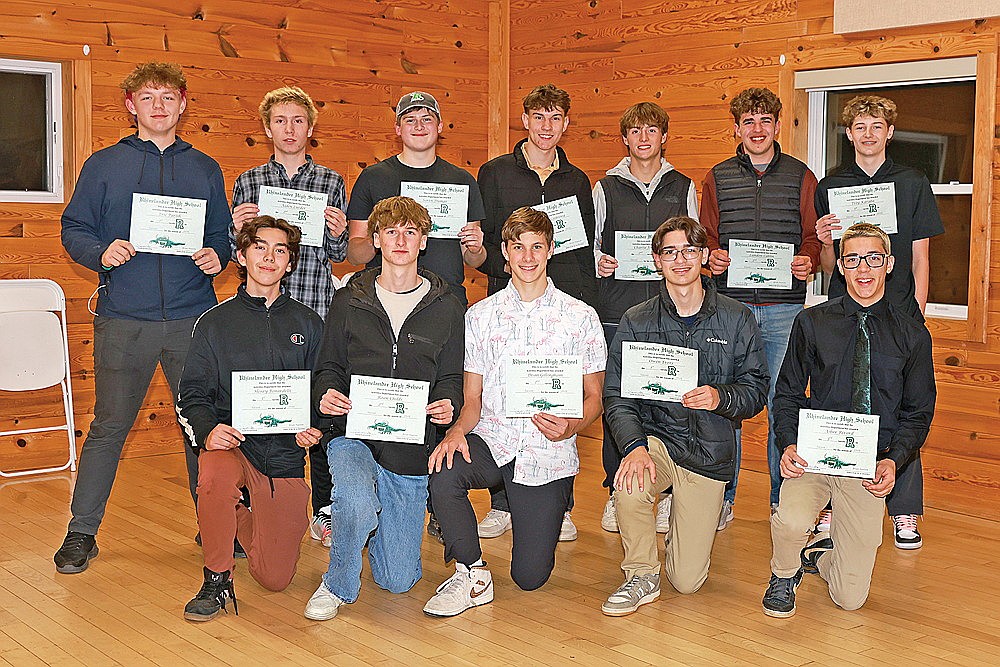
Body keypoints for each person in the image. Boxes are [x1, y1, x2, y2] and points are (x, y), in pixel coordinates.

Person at [56, 62, 230, 573]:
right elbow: (74, 227)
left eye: (169, 96)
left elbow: (221, 233)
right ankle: (81, 532)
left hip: (192, 318)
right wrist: (99, 251)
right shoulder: (104, 164)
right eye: (148, 96)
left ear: (182, 105)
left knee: (201, 428)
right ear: (131, 105)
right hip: (124, 317)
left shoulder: (204, 168)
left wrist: (218, 255)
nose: (159, 105)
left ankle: (216, 526)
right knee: (109, 426)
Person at [422, 207, 606, 617]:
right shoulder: (480, 315)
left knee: (529, 578)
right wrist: (454, 433)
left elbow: (594, 396)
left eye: (537, 246)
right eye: (518, 247)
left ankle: (535, 508)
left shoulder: (580, 317)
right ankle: (473, 571)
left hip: (546, 453)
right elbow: (473, 399)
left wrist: (573, 424)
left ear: (551, 250)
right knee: (444, 467)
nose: (527, 257)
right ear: (504, 252)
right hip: (494, 439)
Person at [303, 196, 465, 622]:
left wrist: (450, 403)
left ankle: (371, 524)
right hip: (353, 435)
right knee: (354, 501)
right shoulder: (349, 297)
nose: (400, 240)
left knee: (398, 580)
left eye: (410, 232)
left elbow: (451, 375)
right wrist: (327, 395)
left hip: (410, 447)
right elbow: (329, 367)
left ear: (423, 242)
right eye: (390, 231)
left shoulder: (448, 304)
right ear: (375, 239)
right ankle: (336, 582)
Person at [762, 223, 935, 617]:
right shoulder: (812, 322)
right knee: (790, 522)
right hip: (814, 455)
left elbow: (919, 412)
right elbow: (787, 392)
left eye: (873, 258)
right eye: (853, 259)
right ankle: (783, 573)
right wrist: (788, 443)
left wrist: (894, 460)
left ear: (889, 264)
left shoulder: (912, 334)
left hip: (868, 464)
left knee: (850, 598)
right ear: (840, 265)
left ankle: (819, 557)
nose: (863, 269)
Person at [601, 216, 768, 617]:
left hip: (709, 453)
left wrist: (720, 397)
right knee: (629, 482)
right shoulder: (637, 320)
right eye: (670, 252)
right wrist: (634, 447)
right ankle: (640, 573)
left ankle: (684, 525)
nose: (680, 260)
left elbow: (756, 389)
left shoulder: (736, 317)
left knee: (687, 581)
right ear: (657, 260)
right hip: (659, 440)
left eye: (690, 250)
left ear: (705, 257)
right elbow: (616, 396)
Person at [176, 216, 323, 621]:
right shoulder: (214, 322)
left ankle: (237, 513)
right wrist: (207, 431)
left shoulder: (309, 324)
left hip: (283, 456)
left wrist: (315, 427)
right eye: (259, 247)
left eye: (280, 250)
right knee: (215, 479)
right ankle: (216, 578)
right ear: (241, 256)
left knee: (274, 577)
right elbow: (191, 394)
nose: (269, 257)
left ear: (290, 263)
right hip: (233, 445)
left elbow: (323, 390)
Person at [814, 94, 944, 549]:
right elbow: (831, 263)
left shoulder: (912, 182)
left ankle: (905, 513)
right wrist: (822, 239)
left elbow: (921, 258)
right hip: (844, 314)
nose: (868, 134)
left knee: (905, 408)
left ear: (889, 132)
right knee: (838, 401)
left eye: (877, 126)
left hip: (898, 317)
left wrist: (917, 317)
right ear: (848, 134)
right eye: (859, 126)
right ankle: (831, 507)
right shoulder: (829, 186)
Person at [475, 83, 599, 541]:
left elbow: (580, 248)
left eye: (555, 118)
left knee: (556, 405)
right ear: (524, 120)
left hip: (561, 315)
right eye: (538, 117)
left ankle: (558, 504)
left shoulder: (577, 180)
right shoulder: (494, 173)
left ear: (566, 124)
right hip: (508, 309)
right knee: (504, 406)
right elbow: (489, 246)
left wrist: (582, 303)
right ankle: (503, 503)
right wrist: (502, 267)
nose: (547, 127)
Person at [229, 86, 349, 551]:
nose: (290, 129)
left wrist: (338, 234)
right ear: (267, 128)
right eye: (281, 120)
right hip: (259, 314)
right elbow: (237, 249)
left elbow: (336, 255)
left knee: (319, 411)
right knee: (256, 408)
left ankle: (323, 510)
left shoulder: (331, 181)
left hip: (314, 308)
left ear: (310, 128)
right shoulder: (249, 181)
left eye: (298, 120)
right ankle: (245, 507)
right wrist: (235, 228)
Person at [700, 87, 821, 529]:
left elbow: (812, 235)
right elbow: (707, 234)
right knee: (727, 402)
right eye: (748, 122)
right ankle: (723, 498)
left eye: (765, 121)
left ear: (777, 125)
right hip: (729, 311)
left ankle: (780, 499)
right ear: (736, 128)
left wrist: (806, 257)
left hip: (784, 310)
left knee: (780, 403)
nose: (757, 129)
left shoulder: (802, 176)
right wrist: (712, 256)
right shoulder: (716, 177)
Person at [593, 101, 699, 534]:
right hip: (618, 311)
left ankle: (664, 493)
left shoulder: (683, 185)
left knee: (670, 401)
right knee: (617, 401)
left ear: (663, 137)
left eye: (651, 131)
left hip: (671, 312)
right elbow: (591, 246)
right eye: (635, 131)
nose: (643, 138)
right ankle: (615, 494)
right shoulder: (605, 187)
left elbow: (693, 247)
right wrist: (599, 260)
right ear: (625, 139)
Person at [345, 90, 486, 306]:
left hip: (446, 300)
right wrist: (378, 239)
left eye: (427, 119)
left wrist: (476, 248)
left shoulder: (462, 181)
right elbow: (354, 255)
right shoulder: (372, 178)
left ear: (439, 126)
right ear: (398, 129)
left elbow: (473, 258)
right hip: (384, 300)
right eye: (410, 120)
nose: (419, 126)